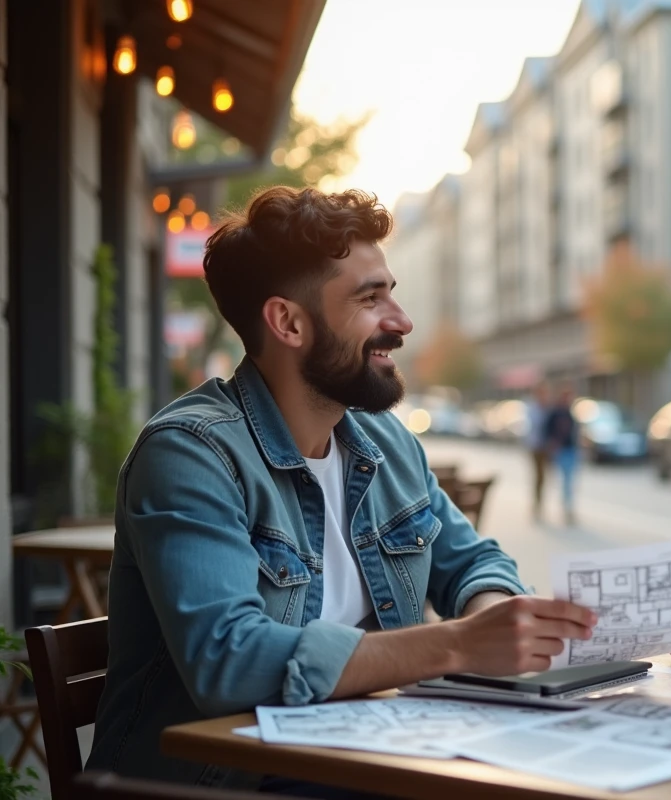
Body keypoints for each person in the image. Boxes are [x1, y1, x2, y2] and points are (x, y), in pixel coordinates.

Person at [87, 187, 596, 795]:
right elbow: (229, 660)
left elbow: (472, 562)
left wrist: (496, 621)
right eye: (369, 298)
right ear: (289, 322)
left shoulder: (385, 442)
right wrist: (458, 645)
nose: (401, 322)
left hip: (365, 759)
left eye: (392, 293)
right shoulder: (191, 454)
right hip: (222, 784)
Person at [543, 385, 580, 525]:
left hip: (570, 450)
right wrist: (552, 445)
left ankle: (567, 509)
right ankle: (549, 507)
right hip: (560, 451)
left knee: (568, 482)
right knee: (555, 481)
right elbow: (547, 431)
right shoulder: (555, 413)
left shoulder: (570, 413)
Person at [526, 382, 552, 520]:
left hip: (548, 447)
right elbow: (532, 427)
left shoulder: (549, 408)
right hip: (536, 447)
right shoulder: (533, 408)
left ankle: (542, 503)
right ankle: (537, 504)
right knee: (538, 477)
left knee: (546, 477)